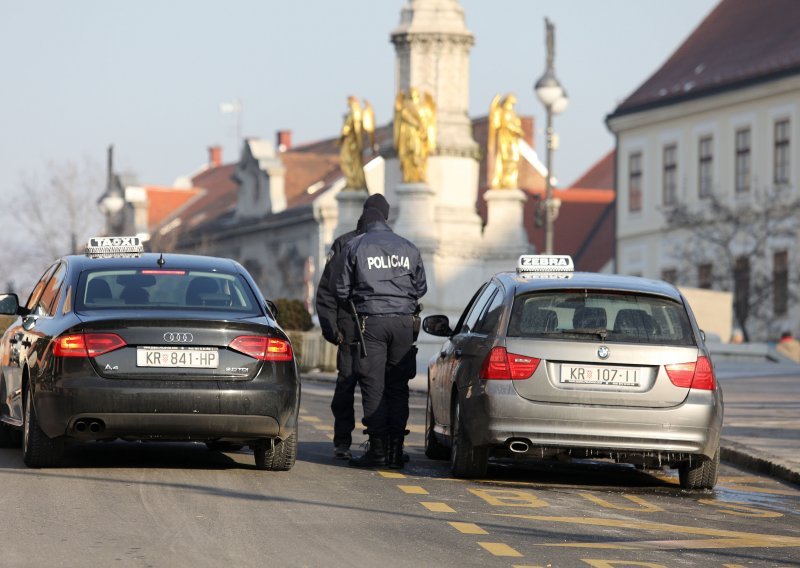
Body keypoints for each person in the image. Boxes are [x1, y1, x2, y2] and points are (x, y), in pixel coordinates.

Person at [335, 207, 427, 469]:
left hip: (371, 322)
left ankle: (377, 451)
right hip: (403, 323)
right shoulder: (409, 247)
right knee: (398, 386)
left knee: (373, 384)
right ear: (386, 220)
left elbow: (341, 290)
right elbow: (421, 287)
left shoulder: (355, 246)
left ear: (366, 221)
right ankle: (396, 452)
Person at [315, 194, 391, 460]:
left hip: (368, 329)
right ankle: (349, 442)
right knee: (352, 386)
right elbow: (327, 292)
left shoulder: (383, 245)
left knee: (365, 387)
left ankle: (371, 443)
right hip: (353, 328)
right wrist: (331, 328)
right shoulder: (346, 243)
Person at [393, 87, 437, 184]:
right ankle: (408, 175)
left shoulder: (423, 107)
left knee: (418, 154)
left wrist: (424, 130)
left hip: (419, 136)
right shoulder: (406, 105)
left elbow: (427, 121)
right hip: (408, 135)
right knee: (409, 154)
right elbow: (404, 115)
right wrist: (417, 124)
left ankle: (420, 173)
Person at [338, 96, 375, 190]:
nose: (347, 104)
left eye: (349, 102)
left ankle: (355, 182)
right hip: (349, 142)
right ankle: (351, 182)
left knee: (350, 161)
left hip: (352, 144)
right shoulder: (352, 113)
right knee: (345, 161)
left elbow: (356, 130)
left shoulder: (356, 112)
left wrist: (359, 143)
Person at [488, 93, 524, 189]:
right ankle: (506, 181)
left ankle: (510, 181)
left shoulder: (512, 113)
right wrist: (518, 131)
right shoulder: (505, 112)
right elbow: (507, 125)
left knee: (513, 160)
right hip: (506, 141)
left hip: (512, 141)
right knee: (508, 159)